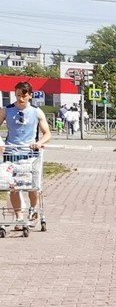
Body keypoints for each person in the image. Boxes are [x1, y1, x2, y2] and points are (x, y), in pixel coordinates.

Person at [4, 81, 50, 220]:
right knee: (13, 188)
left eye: (24, 96)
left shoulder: (36, 112)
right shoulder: (6, 110)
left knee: (32, 186)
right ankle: (19, 217)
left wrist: (39, 143)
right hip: (11, 153)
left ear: (30, 95)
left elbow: (47, 133)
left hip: (30, 155)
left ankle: (33, 208)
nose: (20, 99)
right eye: (18, 95)